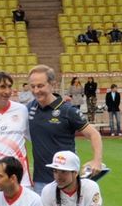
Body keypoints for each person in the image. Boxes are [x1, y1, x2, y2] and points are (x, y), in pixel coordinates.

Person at [27, 65, 102, 193]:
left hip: (67, 180)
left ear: (52, 84)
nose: (36, 90)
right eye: (32, 86)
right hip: (40, 182)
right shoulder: (30, 107)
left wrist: (97, 161)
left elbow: (94, 134)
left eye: (40, 86)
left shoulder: (67, 110)